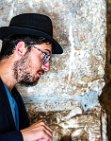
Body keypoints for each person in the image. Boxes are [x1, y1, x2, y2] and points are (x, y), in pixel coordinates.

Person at [0, 13, 63, 141]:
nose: (47, 67)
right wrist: (22, 136)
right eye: (45, 55)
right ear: (21, 49)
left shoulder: (15, 99)